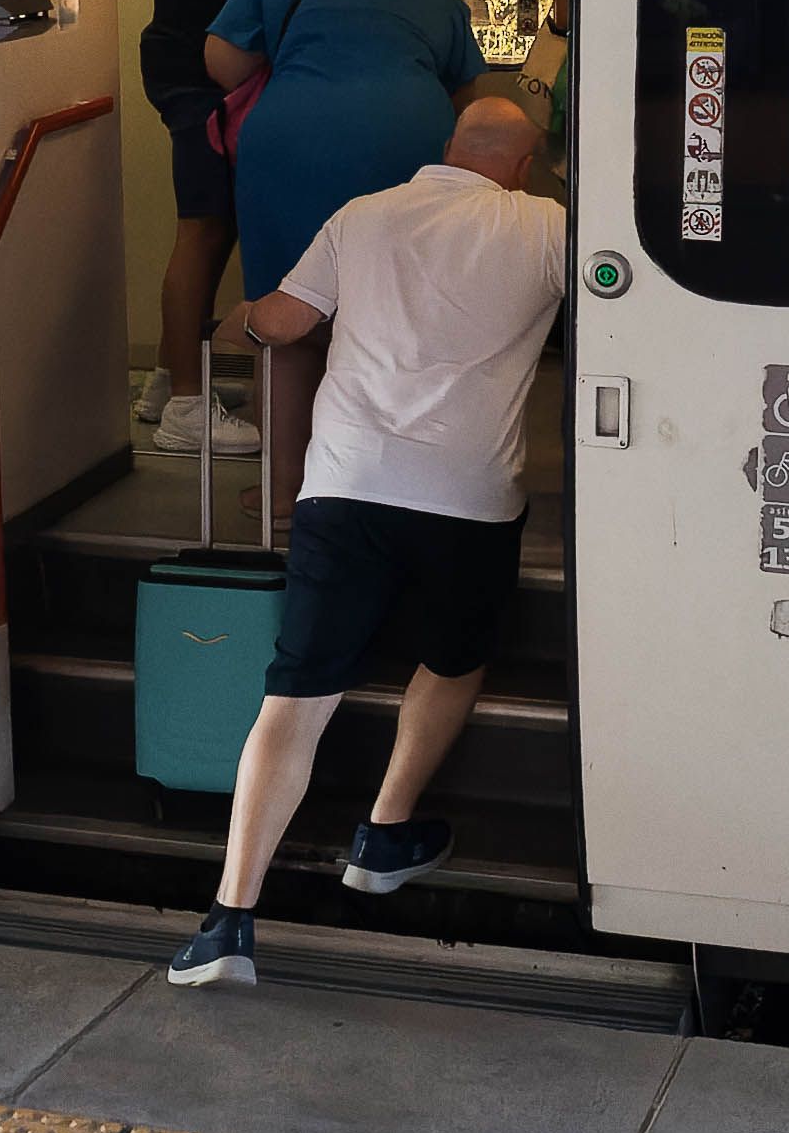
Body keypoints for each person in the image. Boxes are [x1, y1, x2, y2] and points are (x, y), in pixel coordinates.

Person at [169, 95, 565, 986]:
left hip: (345, 486)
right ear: (524, 164)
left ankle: (230, 919)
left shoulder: (365, 214)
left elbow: (280, 321)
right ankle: (385, 830)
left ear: (448, 149)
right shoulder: (546, 226)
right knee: (456, 657)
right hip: (470, 498)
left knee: (297, 694)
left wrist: (241, 314)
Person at [204, 0, 485, 516]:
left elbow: (223, 63)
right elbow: (468, 89)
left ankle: (283, 492)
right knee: (399, 318)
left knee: (285, 319)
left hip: (289, 151)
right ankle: (389, 490)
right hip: (406, 155)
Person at [140, 0, 260, 453]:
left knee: (217, 223)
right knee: (204, 228)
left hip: (181, 55)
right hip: (201, 67)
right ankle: (187, 408)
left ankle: (169, 380)